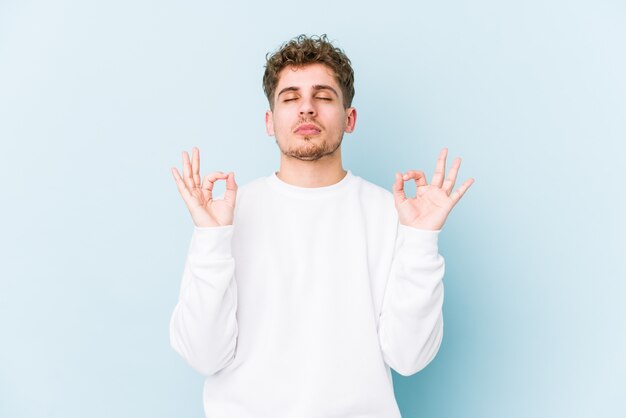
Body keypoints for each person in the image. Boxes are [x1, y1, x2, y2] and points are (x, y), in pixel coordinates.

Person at [169, 34, 474, 418]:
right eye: (290, 97)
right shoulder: (226, 215)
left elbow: (409, 357)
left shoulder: (393, 214)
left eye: (324, 97)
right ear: (269, 120)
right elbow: (202, 354)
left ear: (350, 118)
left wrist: (421, 240)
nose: (307, 109)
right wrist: (211, 240)